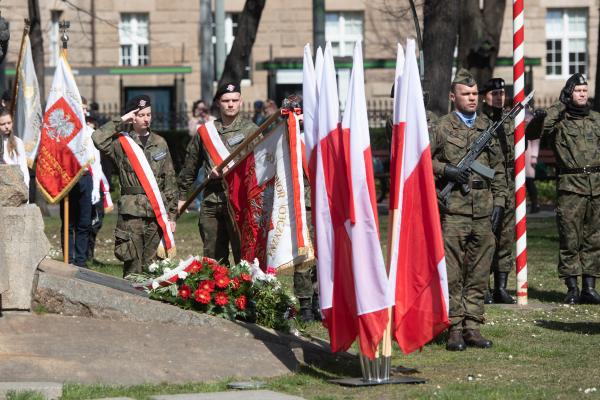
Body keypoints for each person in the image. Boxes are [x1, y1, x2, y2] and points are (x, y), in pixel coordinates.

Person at [430, 69, 508, 351]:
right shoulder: (442, 127)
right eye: (466, 94)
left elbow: (498, 169)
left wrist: (499, 202)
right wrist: (446, 170)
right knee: (452, 273)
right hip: (453, 212)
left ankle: (472, 326)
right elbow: (422, 161)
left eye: (475, 94)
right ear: (453, 97)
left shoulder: (487, 127)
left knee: (478, 272)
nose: (473, 98)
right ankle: (454, 328)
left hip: (483, 210)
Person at [531, 73, 600, 305]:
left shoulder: (596, 119)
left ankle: (590, 288)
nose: (582, 94)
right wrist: (559, 104)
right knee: (570, 239)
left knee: (594, 240)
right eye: (577, 90)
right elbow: (534, 133)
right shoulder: (559, 120)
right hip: (571, 187)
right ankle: (572, 287)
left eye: (584, 90)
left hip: (596, 187)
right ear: (569, 93)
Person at [92, 95, 178, 277]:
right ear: (133, 117)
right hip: (131, 214)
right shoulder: (120, 143)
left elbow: (169, 179)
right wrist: (121, 119)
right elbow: (97, 137)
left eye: (148, 114)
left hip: (156, 212)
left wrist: (171, 215)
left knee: (154, 266)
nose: (146, 118)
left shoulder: (160, 143)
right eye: (141, 115)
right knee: (132, 265)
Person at [178, 82, 259, 265]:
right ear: (217, 103)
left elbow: (262, 166)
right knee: (213, 256)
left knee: (243, 254)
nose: (230, 104)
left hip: (239, 201)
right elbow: (190, 166)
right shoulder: (206, 132)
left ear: (240, 102)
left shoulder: (251, 131)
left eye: (234, 100)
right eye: (226, 100)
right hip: (212, 201)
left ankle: (243, 292)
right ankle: (217, 293)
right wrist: (182, 196)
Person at [479, 78, 516, 304]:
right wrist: (492, 175)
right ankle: (482, 285)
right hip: (487, 183)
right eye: (495, 93)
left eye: (502, 93)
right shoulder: (480, 122)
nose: (499, 97)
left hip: (510, 183)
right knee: (485, 235)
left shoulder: (511, 119)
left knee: (506, 235)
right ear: (485, 96)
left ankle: (501, 287)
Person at [0, 107, 29, 188]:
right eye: (3, 124)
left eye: (9, 123)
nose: (6, 126)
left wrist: (25, 189)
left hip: (14, 187)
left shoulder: (18, 142)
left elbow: (23, 168)